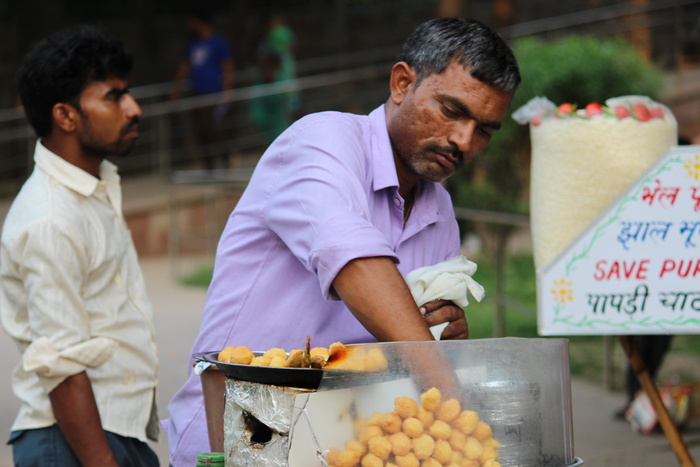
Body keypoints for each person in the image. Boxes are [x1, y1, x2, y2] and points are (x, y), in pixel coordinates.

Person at [163, 17, 520, 466]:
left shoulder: (440, 213)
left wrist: (444, 333)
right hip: (240, 443)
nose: (463, 140)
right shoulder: (323, 141)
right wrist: (447, 387)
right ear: (402, 82)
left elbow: (408, 342)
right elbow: (352, 258)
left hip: (350, 449)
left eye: (485, 129)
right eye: (451, 111)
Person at [1, 25, 159, 466]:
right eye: (113, 97)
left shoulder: (94, 186)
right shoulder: (51, 218)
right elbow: (62, 363)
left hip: (112, 434)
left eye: (127, 93)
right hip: (74, 444)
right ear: (65, 117)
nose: (133, 108)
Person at [170, 8, 235, 170]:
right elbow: (185, 66)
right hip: (196, 92)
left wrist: (228, 91)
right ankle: (209, 165)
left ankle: (225, 156)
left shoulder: (218, 42)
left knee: (209, 128)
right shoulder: (192, 43)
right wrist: (176, 89)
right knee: (199, 131)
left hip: (213, 92)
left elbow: (227, 66)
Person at [249, 13, 300, 142]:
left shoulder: (280, 36)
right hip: (276, 88)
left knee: (282, 122)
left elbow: (277, 58)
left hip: (279, 87)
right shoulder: (269, 40)